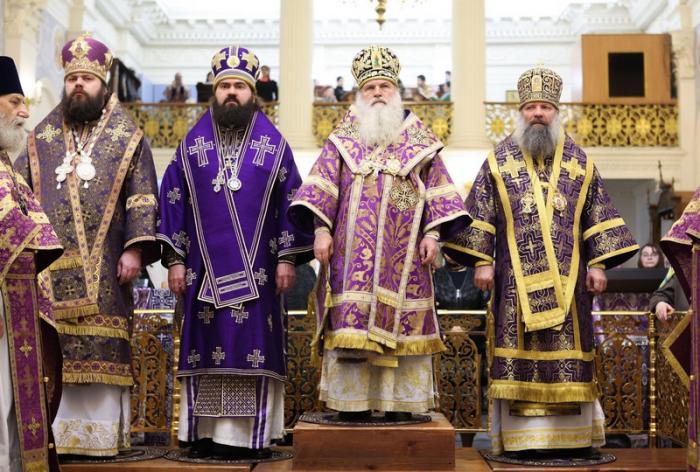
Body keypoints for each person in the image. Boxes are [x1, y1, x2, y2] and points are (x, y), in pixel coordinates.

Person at [444, 66, 639, 456]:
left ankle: (573, 439)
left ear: (556, 112)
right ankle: (522, 441)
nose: (537, 113)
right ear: (520, 112)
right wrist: (481, 260)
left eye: (545, 107)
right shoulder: (499, 160)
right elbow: (482, 213)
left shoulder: (580, 162)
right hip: (514, 286)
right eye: (531, 107)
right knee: (519, 356)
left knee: (569, 352)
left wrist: (598, 264)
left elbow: (596, 214)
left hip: (570, 288)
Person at [289, 46, 470, 421]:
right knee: (351, 327)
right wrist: (321, 231)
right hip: (349, 259)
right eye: (369, 87)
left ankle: (398, 405)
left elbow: (438, 191)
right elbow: (322, 189)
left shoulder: (420, 140)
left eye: (384, 86)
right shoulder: (342, 139)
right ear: (359, 94)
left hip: (405, 260)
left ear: (396, 92)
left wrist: (433, 235)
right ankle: (351, 405)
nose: (377, 93)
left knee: (403, 330)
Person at [158, 45, 313, 459]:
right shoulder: (191, 145)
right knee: (205, 346)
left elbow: (291, 202)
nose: (231, 92)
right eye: (224, 85)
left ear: (252, 92)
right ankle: (204, 434)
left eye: (239, 86)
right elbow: (172, 201)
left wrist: (287, 258)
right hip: (200, 276)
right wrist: (175, 260)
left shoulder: (273, 145)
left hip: (260, 275)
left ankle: (250, 438)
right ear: (214, 91)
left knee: (252, 347)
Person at [15, 34, 160, 457]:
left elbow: (142, 196)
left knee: (101, 351)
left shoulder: (127, 135)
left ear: (103, 84)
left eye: (87, 79)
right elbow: (19, 191)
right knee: (52, 352)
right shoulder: (41, 136)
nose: (79, 84)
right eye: (72, 78)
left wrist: (135, 249)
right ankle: (55, 439)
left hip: (107, 269)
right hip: (49, 271)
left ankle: (99, 439)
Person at [0, 56, 64, 472]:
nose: (25, 112)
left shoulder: (8, 168)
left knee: (9, 410)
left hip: (12, 309)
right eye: (15, 101)